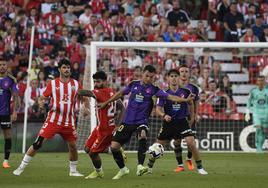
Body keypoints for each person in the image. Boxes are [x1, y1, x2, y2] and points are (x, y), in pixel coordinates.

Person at [98, 65, 194, 179]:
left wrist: (185, 100)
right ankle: (123, 169)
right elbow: (120, 94)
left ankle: (140, 166)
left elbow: (171, 97)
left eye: (151, 77)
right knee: (114, 147)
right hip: (127, 121)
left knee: (142, 135)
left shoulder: (155, 89)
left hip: (141, 121)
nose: (148, 78)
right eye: (147, 75)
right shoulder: (133, 84)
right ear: (142, 73)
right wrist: (105, 103)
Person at [13, 59, 88, 176]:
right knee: (38, 143)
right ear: (59, 69)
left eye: (68, 67)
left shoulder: (76, 84)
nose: (67, 69)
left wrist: (86, 108)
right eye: (64, 67)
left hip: (69, 121)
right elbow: (41, 98)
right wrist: (41, 103)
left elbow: (84, 97)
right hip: (53, 119)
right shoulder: (53, 84)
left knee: (73, 146)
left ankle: (73, 171)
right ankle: (21, 167)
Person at [146, 69, 208, 175]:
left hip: (182, 121)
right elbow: (158, 109)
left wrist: (192, 117)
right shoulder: (164, 93)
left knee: (191, 143)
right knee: (157, 146)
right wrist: (164, 115)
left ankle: (200, 167)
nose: (174, 78)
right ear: (168, 78)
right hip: (169, 123)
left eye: (176, 76)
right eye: (172, 76)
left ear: (179, 78)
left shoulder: (186, 92)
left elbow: (191, 104)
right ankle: (149, 167)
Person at [77, 71, 125, 179]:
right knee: (87, 149)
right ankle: (112, 150)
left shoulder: (101, 92)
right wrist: (117, 124)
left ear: (105, 81)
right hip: (100, 127)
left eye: (98, 81)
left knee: (92, 153)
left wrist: (76, 89)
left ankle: (99, 172)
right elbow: (122, 107)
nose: (95, 84)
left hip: (106, 130)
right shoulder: (111, 92)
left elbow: (87, 93)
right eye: (94, 81)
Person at [174, 65, 200, 172]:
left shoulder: (194, 88)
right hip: (178, 117)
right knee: (177, 141)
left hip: (190, 117)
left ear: (189, 74)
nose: (184, 73)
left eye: (186, 71)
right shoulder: (174, 86)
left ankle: (189, 159)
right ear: (179, 74)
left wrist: (195, 115)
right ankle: (180, 165)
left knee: (191, 140)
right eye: (182, 71)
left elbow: (196, 102)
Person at [0, 60, 20, 168]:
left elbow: (16, 96)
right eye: (0, 65)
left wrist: (15, 111)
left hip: (5, 113)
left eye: (3, 65)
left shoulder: (11, 80)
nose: (1, 67)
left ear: (7, 67)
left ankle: (5, 161)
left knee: (7, 136)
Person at [245, 75, 268, 153]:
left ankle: (260, 146)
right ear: (257, 82)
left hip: (266, 113)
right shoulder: (253, 91)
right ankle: (258, 147)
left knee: (264, 131)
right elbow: (248, 101)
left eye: (262, 80)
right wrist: (247, 112)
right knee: (258, 128)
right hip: (256, 113)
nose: (260, 82)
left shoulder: (267, 91)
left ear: (264, 81)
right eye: (259, 80)